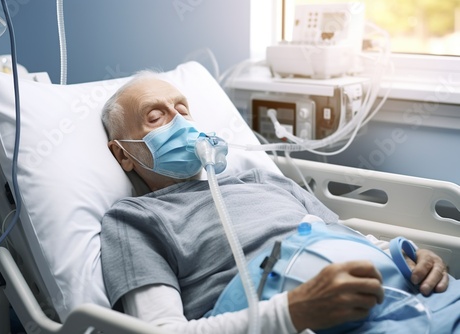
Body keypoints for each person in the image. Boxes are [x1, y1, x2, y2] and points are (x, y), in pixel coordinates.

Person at [100, 72, 457, 334]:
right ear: (124, 155)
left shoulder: (261, 178)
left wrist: (414, 259)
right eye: (156, 116)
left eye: (183, 110)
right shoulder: (134, 220)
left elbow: (342, 238)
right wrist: (293, 312)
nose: (181, 123)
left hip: (418, 294)